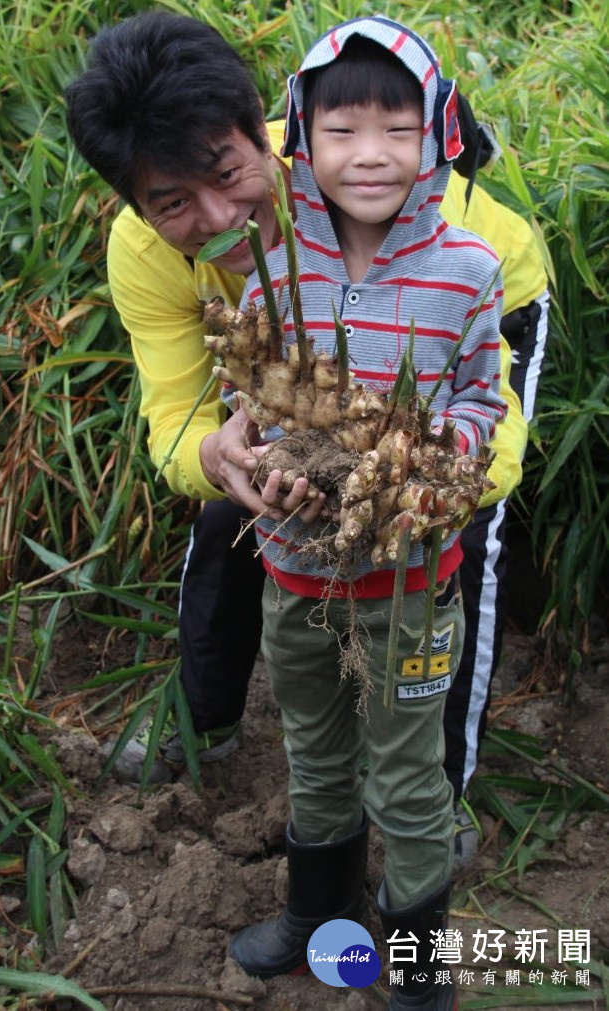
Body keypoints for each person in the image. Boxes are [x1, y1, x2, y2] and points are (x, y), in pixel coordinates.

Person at [64, 12, 547, 845]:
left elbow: (487, 443)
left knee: (458, 529)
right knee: (228, 510)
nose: (218, 217)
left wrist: (407, 481)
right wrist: (219, 455)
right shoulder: (144, 254)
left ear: (263, 125)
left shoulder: (360, 174)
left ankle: (437, 793)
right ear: (134, 205)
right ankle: (205, 720)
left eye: (227, 172)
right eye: (172, 202)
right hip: (310, 388)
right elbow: (176, 417)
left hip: (460, 321)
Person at [221, 18, 509, 1008]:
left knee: (407, 775)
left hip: (410, 585)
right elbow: (254, 393)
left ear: (436, 139)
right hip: (298, 573)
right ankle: (319, 920)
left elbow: (481, 400)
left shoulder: (466, 270)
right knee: (313, 753)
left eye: (398, 128)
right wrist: (256, 447)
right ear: (298, 139)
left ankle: (419, 953)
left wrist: (430, 455)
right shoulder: (271, 265)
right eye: (341, 130)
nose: (371, 155)